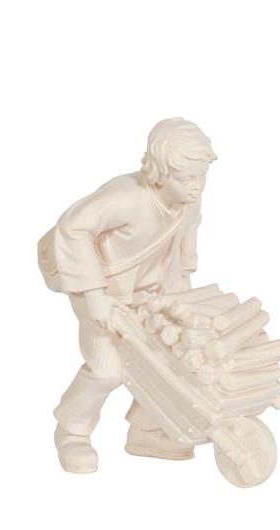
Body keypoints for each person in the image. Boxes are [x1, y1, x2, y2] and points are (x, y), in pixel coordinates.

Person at [38, 117, 216, 473]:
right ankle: (72, 432)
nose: (196, 187)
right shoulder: (126, 197)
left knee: (170, 357)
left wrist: (182, 297)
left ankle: (147, 429)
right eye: (186, 179)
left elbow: (184, 247)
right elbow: (73, 227)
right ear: (160, 173)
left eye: (201, 177)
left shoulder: (188, 202)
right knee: (108, 369)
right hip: (100, 287)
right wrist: (94, 294)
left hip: (151, 290)